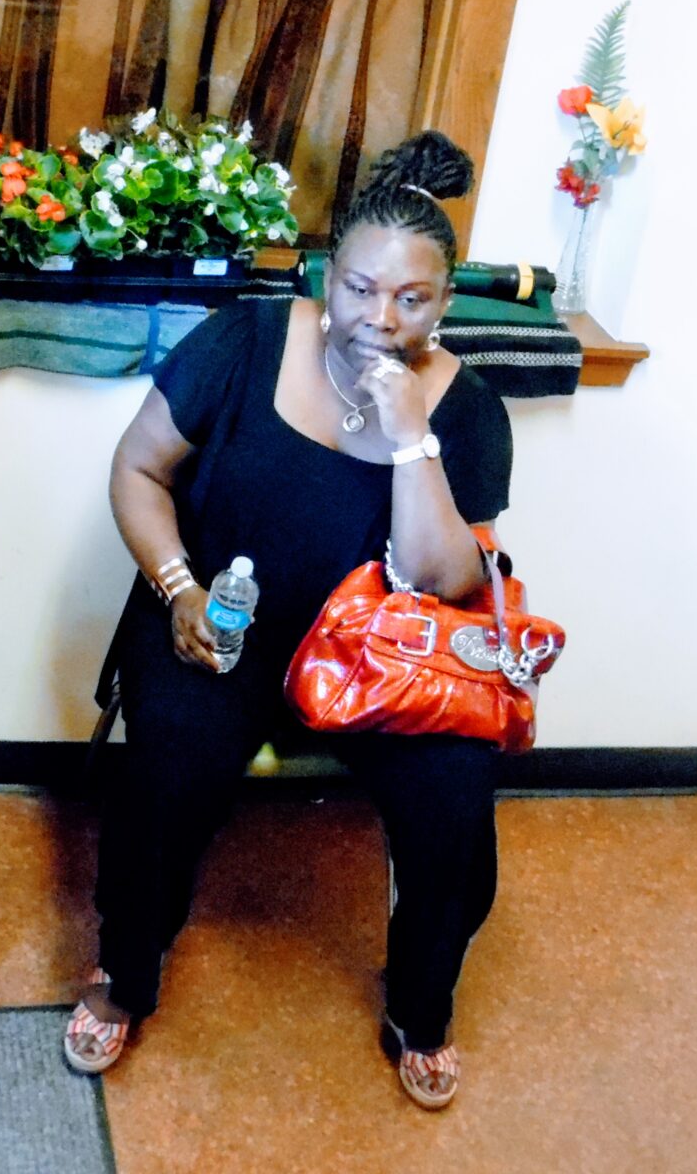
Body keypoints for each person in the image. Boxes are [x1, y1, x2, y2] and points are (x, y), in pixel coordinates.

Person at [65, 131, 512, 1109]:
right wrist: (179, 587)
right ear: (324, 274)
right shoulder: (246, 340)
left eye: (412, 298)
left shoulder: (468, 409)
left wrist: (409, 440)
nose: (380, 319)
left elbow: (445, 577)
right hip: (217, 623)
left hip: (378, 657)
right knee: (168, 771)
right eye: (358, 289)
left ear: (446, 301)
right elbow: (139, 470)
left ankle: (420, 1003)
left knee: (455, 809)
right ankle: (127, 970)